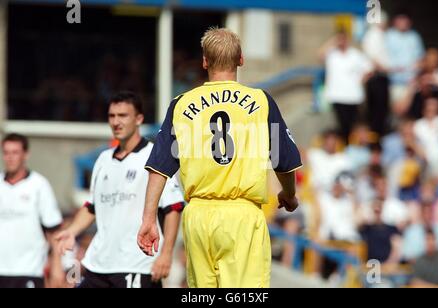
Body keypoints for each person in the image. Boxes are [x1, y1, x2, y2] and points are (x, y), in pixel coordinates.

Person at [138, 28, 302, 288]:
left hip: (198, 216)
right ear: (241, 60)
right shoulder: (261, 101)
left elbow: (159, 167)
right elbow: (284, 160)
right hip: (242, 216)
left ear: (204, 62)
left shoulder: (180, 104)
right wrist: (289, 194)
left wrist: (148, 219)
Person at [56, 92, 185, 288]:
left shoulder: (154, 155)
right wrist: (72, 231)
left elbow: (173, 207)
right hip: (98, 264)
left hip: (137, 264)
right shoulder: (103, 159)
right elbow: (92, 206)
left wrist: (166, 254)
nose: (116, 122)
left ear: (139, 118)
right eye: (112, 116)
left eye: (123, 115)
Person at [0, 133, 63, 288]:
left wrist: (57, 267)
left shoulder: (39, 185)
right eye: (6, 153)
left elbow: (54, 231)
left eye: (15, 153)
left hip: (29, 271)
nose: (10, 158)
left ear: (25, 154)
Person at [319, 30, 372, 142]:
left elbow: (369, 68)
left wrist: (362, 80)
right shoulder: (332, 54)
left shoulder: (356, 55)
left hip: (353, 96)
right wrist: (332, 41)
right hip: (336, 96)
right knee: (341, 124)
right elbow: (320, 55)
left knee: (351, 125)